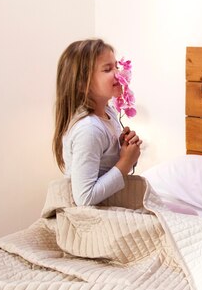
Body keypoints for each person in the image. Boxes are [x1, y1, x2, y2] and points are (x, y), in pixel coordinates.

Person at [52, 39, 142, 206]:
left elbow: (107, 168)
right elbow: (84, 198)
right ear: (81, 84)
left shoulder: (109, 113)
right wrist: (125, 162)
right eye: (108, 69)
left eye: (117, 66)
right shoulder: (89, 130)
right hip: (90, 214)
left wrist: (125, 151)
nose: (118, 73)